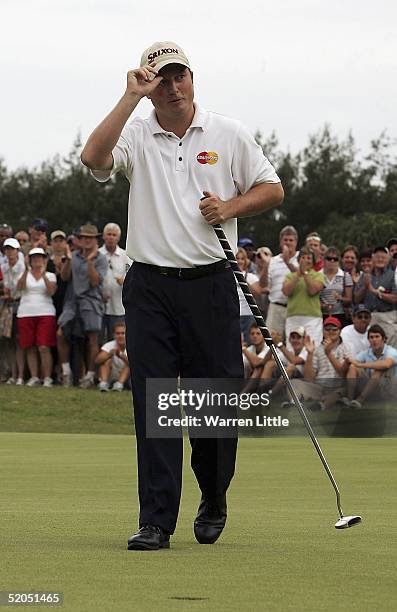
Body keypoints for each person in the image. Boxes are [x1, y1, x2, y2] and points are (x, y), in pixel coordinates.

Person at [81, 40, 284, 550]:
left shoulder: (227, 132)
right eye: (162, 79)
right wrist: (130, 96)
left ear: (193, 78)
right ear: (150, 87)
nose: (173, 87)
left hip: (210, 282)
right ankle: (155, 520)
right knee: (155, 402)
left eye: (181, 77)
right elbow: (93, 157)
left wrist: (232, 205)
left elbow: (272, 188)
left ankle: (213, 494)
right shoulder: (136, 130)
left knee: (213, 404)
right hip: (149, 284)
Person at [57, 224, 108, 388]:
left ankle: (90, 376)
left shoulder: (100, 258)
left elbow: (95, 282)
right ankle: (66, 373)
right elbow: (64, 278)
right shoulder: (74, 256)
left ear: (95, 240)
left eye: (90, 238)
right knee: (60, 333)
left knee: (92, 339)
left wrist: (89, 261)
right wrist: (69, 259)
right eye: (83, 237)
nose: (86, 240)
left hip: (91, 301)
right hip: (72, 301)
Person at [16, 248, 57, 387]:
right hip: (25, 312)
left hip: (45, 312)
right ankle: (34, 376)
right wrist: (27, 270)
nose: (37, 260)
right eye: (34, 258)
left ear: (44, 259)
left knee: (44, 346)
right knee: (29, 346)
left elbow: (51, 291)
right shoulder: (24, 274)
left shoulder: (50, 275)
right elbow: (20, 287)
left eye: (39, 257)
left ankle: (47, 377)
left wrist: (43, 274)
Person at [292, 317, 351, 411]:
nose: (330, 331)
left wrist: (328, 353)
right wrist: (310, 354)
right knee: (294, 382)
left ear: (340, 331)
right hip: (320, 388)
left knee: (341, 391)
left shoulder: (346, 347)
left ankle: (321, 406)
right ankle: (294, 402)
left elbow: (342, 373)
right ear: (323, 331)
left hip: (338, 386)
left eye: (334, 329)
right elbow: (309, 378)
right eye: (327, 329)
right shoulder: (317, 349)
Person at [343, 324, 397, 408]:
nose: (374, 340)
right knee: (353, 367)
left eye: (377, 336)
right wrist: (347, 362)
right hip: (373, 388)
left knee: (379, 369)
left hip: (390, 389)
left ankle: (360, 400)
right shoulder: (366, 352)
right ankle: (350, 400)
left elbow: (387, 364)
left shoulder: (391, 351)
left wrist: (360, 364)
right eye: (371, 337)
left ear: (383, 339)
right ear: (368, 340)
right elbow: (353, 364)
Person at [354, 245, 397, 348]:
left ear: (388, 259)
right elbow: (356, 299)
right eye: (377, 257)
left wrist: (374, 291)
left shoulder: (392, 275)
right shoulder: (365, 275)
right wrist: (365, 287)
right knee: (370, 350)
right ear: (372, 259)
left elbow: (395, 298)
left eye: (383, 257)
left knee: (390, 350)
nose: (380, 259)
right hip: (369, 317)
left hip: (387, 317)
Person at [282, 246, 324, 347]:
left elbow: (312, 290)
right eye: (303, 257)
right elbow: (286, 291)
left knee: (313, 346)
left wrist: (304, 273)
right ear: (298, 260)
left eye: (309, 258)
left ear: (313, 261)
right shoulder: (290, 276)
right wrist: (297, 274)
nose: (306, 260)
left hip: (312, 317)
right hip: (293, 317)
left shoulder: (318, 275)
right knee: (292, 347)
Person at [263, 225, 299, 337]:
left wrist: (287, 261)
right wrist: (265, 265)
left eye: (291, 240)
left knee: (294, 343)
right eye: (285, 240)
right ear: (280, 242)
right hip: (276, 307)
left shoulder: (302, 258)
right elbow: (263, 285)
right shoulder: (273, 261)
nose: (288, 243)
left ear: (296, 242)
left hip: (295, 308)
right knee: (272, 342)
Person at [99, 223, 131, 341]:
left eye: (114, 235)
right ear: (104, 236)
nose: (111, 237)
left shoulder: (125, 255)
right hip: (99, 306)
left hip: (118, 306)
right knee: (99, 339)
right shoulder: (98, 254)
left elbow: (131, 275)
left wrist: (125, 280)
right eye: (109, 234)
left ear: (118, 237)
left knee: (117, 340)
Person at [0, 238, 25, 384]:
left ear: (17, 251)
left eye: (12, 249)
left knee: (19, 341)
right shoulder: (2, 267)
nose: (9, 252)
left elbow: (21, 288)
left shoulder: (22, 267)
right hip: (6, 306)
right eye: (7, 249)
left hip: (20, 305)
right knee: (8, 341)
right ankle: (12, 374)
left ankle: (20, 375)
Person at [320, 246, 353, 326]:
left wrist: (340, 298)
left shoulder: (345, 276)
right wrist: (323, 306)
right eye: (329, 258)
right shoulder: (318, 275)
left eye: (335, 259)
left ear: (339, 261)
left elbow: (349, 299)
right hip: (322, 315)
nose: (332, 261)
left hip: (340, 315)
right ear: (324, 260)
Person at [95, 322, 130, 391]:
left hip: (127, 377)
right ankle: (103, 383)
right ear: (114, 335)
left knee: (129, 364)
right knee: (105, 361)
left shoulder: (132, 346)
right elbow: (97, 360)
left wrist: (121, 356)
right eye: (117, 333)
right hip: (111, 374)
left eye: (123, 333)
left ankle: (119, 385)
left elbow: (135, 365)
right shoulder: (109, 345)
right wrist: (109, 354)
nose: (120, 336)